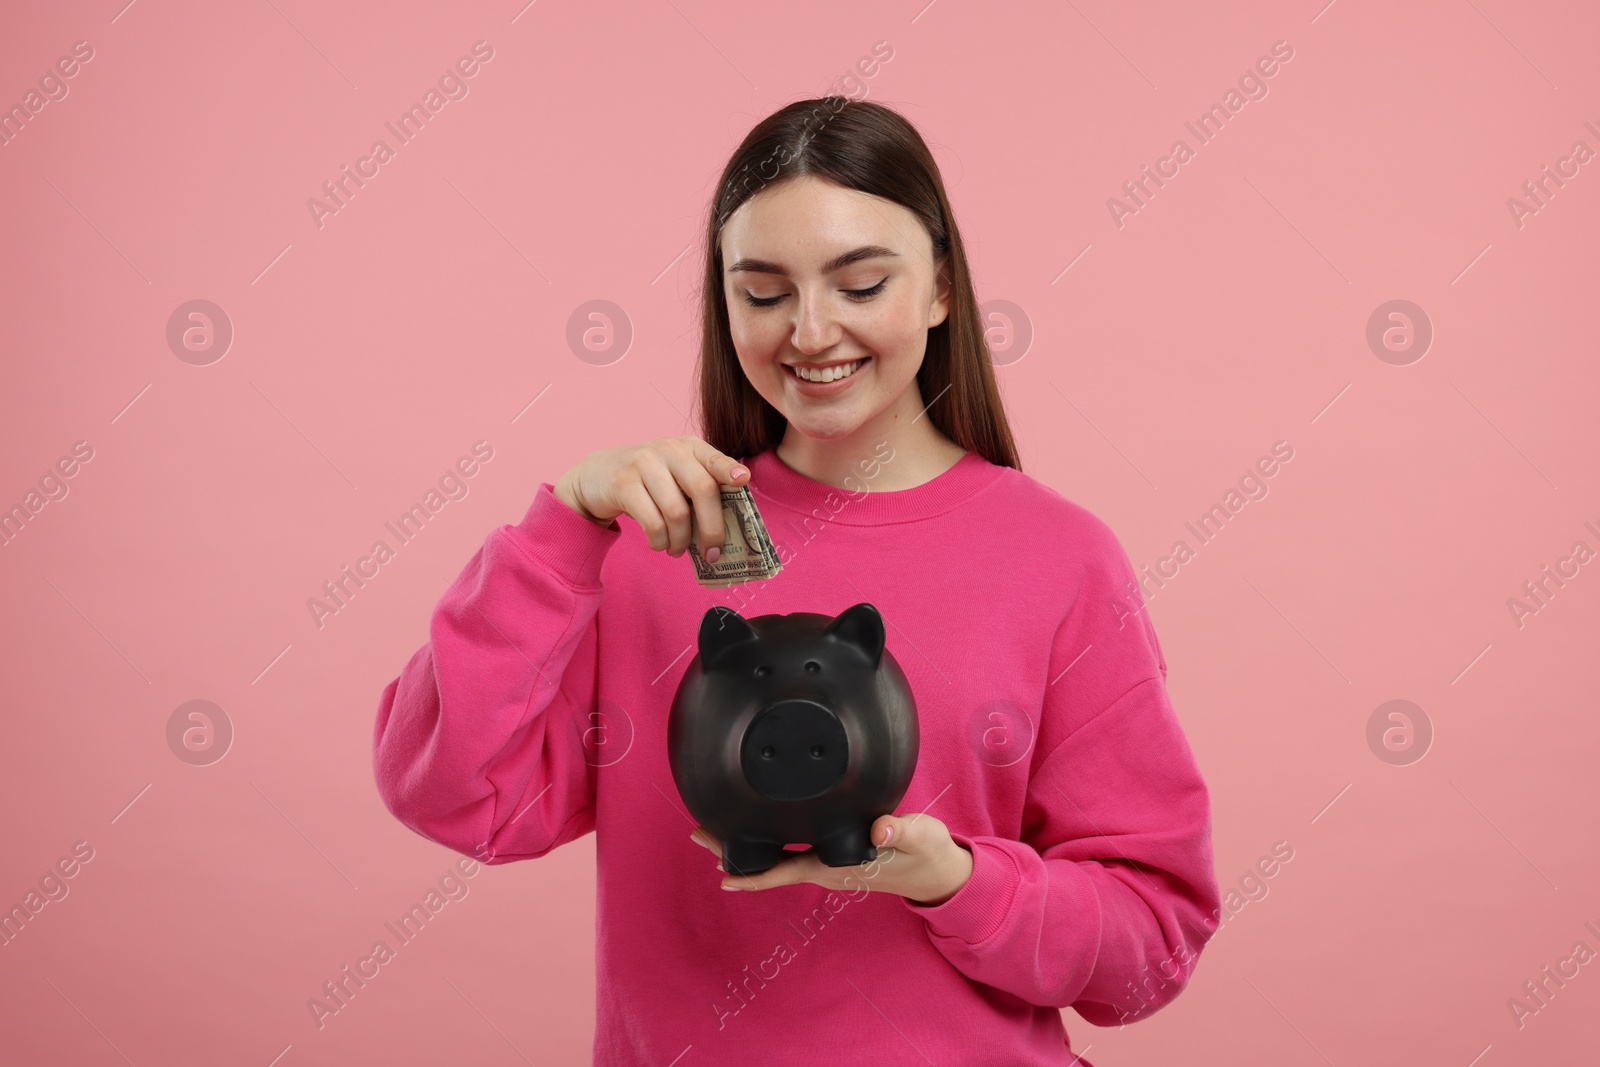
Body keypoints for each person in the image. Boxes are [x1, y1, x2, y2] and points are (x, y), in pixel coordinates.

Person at [372, 96, 1221, 1066]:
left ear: (941, 288)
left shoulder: (1060, 558)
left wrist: (953, 880)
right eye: (764, 293)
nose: (810, 331)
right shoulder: (648, 541)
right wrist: (560, 527)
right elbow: (449, 794)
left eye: (860, 284)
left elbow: (1150, 949)